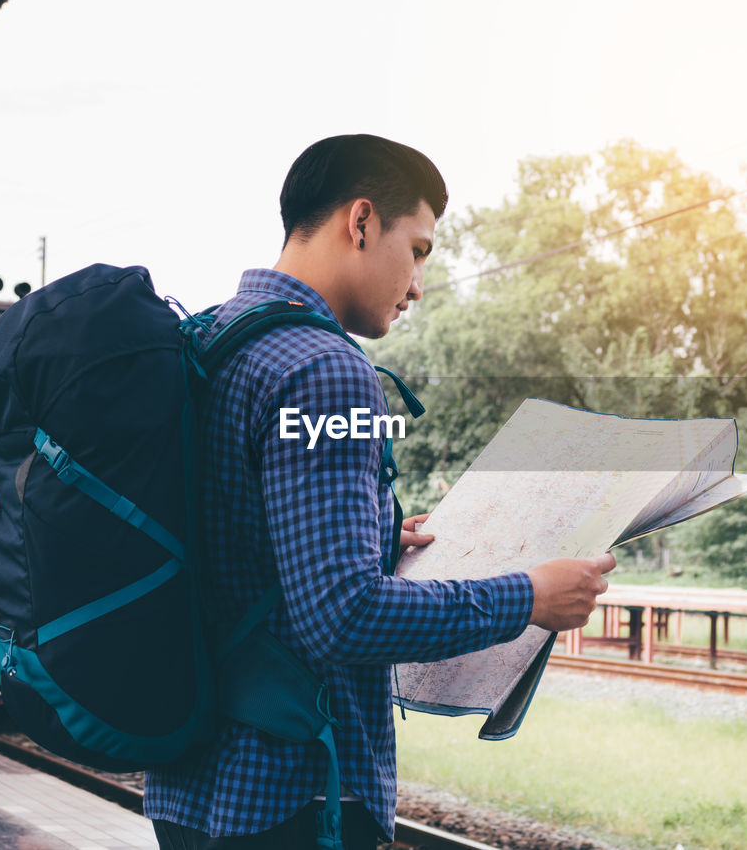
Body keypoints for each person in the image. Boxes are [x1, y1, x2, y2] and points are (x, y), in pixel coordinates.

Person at [143, 134, 615, 849]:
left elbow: (225, 535)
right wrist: (530, 596)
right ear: (361, 222)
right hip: (294, 791)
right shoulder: (326, 371)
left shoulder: (211, 337)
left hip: (189, 781)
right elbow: (342, 615)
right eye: (419, 249)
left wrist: (371, 538)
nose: (419, 284)